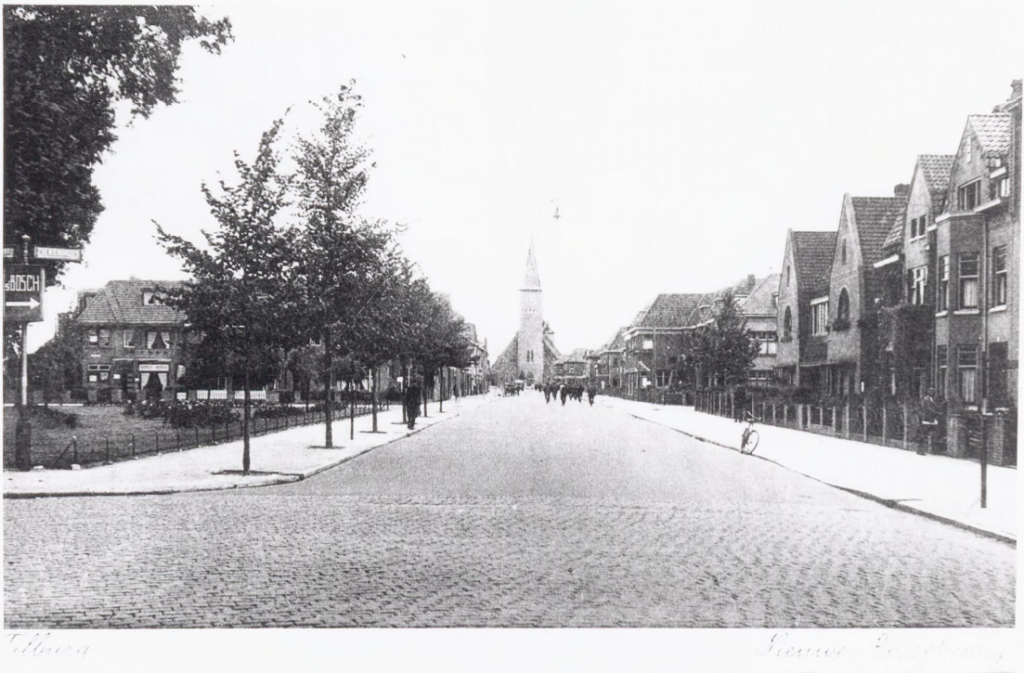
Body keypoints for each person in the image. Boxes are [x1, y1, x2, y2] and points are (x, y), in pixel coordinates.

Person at [919, 388, 940, 455]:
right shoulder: (926, 399)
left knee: (935, 434)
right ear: (927, 392)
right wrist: (937, 413)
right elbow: (928, 408)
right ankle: (920, 450)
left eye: (933, 391)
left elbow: (935, 406)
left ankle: (934, 450)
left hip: (932, 418)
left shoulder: (932, 399)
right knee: (924, 434)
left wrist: (940, 407)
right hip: (927, 418)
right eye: (930, 391)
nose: (932, 392)